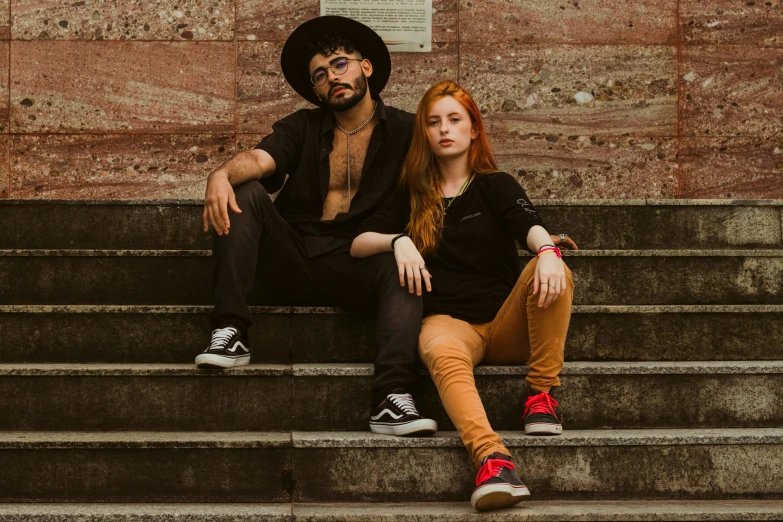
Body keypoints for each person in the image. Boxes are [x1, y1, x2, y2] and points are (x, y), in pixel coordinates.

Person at [198, 15, 437, 437]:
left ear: (366, 67)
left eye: (340, 64)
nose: (331, 78)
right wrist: (220, 175)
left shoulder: (406, 130)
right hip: (294, 255)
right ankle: (230, 329)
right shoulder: (303, 127)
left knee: (403, 270)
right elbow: (260, 160)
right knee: (248, 191)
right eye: (320, 76)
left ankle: (391, 396)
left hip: (358, 261)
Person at [351, 80, 577, 511]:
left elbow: (525, 222)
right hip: (451, 325)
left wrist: (547, 249)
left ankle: (541, 392)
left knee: (553, 268)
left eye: (455, 120)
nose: (444, 130)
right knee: (435, 346)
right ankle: (492, 460)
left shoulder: (494, 184)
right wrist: (398, 240)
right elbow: (358, 242)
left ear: (474, 129)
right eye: (434, 123)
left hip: (508, 322)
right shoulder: (411, 193)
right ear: (425, 134)